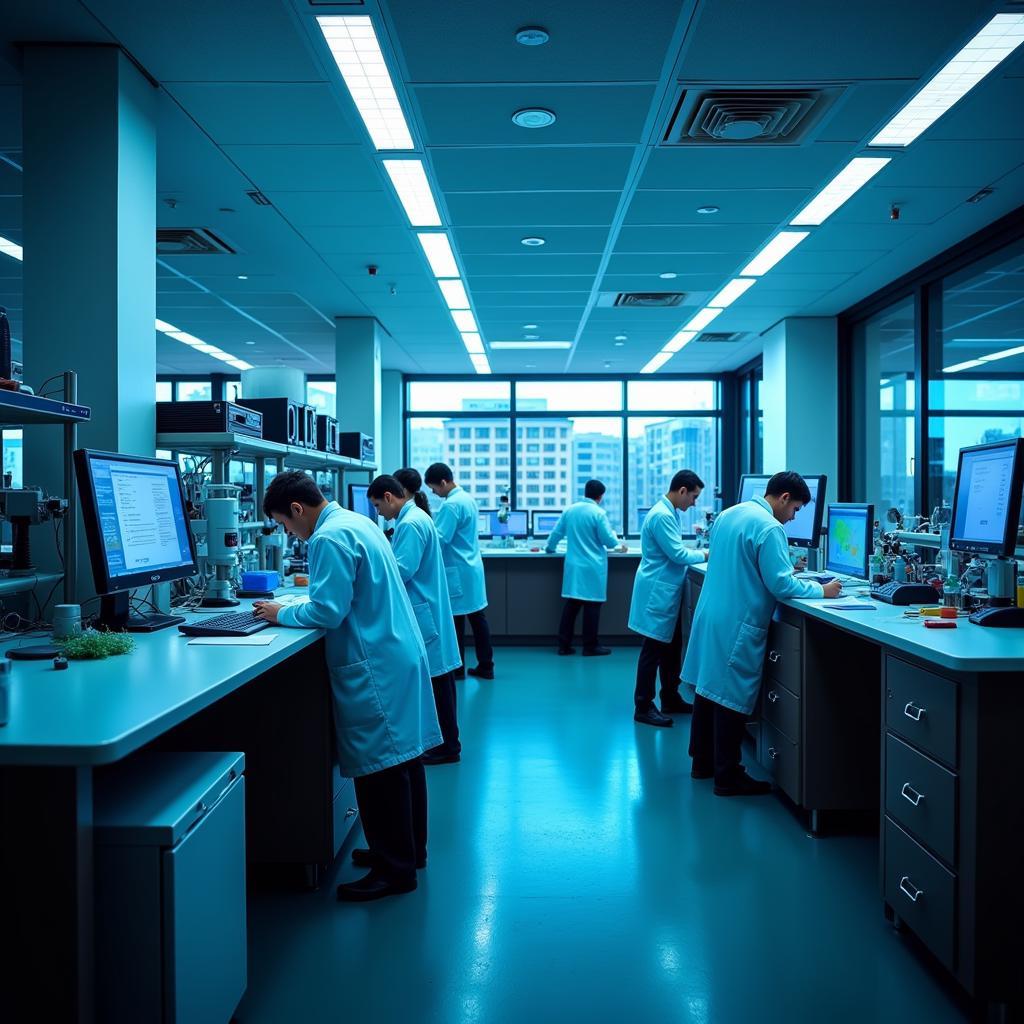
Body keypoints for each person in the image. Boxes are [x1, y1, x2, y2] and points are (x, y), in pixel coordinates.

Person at [253, 471, 441, 902]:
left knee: (381, 769)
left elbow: (329, 610)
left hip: (376, 663)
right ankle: (409, 853)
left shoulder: (327, 538)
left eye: (285, 524)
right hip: (396, 652)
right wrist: (295, 603)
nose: (291, 534)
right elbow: (339, 594)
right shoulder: (357, 522)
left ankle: (395, 872)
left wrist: (279, 614)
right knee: (405, 761)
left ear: (297, 509)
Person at [682, 471, 843, 797]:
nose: (793, 516)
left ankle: (702, 763)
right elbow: (781, 585)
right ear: (784, 498)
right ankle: (728, 776)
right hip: (737, 620)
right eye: (795, 509)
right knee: (728, 696)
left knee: (707, 688)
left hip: (713, 614)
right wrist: (822, 591)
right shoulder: (769, 527)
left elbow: (743, 562)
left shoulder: (731, 513)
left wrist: (782, 566)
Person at [368, 472, 462, 766]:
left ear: (388, 497)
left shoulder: (410, 523)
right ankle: (447, 743)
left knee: (438, 684)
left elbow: (401, 569)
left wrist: (369, 567)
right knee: (440, 682)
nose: (379, 514)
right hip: (427, 608)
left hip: (425, 612)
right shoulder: (414, 518)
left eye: (378, 507)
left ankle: (448, 747)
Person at [629, 470, 709, 728]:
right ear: (682, 490)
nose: (694, 503)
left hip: (665, 591)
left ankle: (671, 697)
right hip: (657, 592)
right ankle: (643, 705)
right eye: (694, 497)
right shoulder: (662, 515)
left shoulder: (668, 511)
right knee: (652, 650)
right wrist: (710, 553)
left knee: (671, 647)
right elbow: (677, 554)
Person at [424, 462, 494, 680]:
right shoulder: (468, 499)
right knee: (477, 620)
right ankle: (486, 665)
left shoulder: (451, 505)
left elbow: (440, 538)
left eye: (435, 488)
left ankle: (457, 670)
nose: (434, 493)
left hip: (458, 571)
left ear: (444, 482)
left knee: (455, 623)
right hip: (470, 568)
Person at [546, 479, 628, 656]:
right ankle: (590, 646)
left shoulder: (570, 510)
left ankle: (563, 645)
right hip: (592, 566)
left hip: (575, 566)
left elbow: (556, 533)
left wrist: (549, 548)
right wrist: (617, 541)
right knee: (592, 607)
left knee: (572, 606)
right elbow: (609, 541)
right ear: (600, 496)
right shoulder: (598, 513)